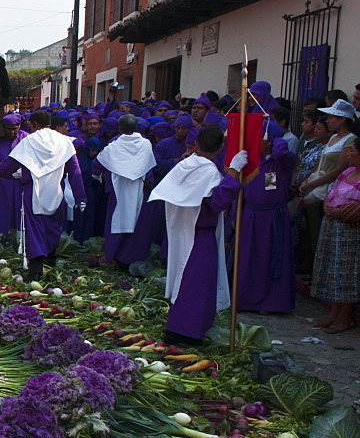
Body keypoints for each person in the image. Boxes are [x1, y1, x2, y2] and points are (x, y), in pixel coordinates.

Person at [149, 127, 247, 345]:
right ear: (220, 147)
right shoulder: (210, 172)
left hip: (183, 228)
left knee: (183, 280)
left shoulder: (183, 165)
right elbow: (217, 202)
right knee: (198, 284)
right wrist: (232, 172)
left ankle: (176, 327)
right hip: (200, 233)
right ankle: (189, 332)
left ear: (197, 146)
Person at [0, 110, 86, 279]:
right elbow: (75, 170)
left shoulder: (30, 141)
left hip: (34, 190)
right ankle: (51, 260)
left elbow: (10, 164)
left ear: (33, 125)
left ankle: (35, 270)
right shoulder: (64, 141)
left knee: (34, 229)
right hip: (56, 189)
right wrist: (81, 196)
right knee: (53, 227)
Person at [234, 122, 296, 314]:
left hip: (272, 217)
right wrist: (234, 212)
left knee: (270, 259)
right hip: (251, 215)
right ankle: (246, 300)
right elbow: (239, 188)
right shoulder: (252, 160)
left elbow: (284, 155)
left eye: (259, 140)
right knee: (249, 259)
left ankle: (271, 303)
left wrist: (276, 140)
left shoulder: (281, 162)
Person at [93, 114, 157, 266]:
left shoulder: (114, 146)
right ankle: (130, 259)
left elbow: (97, 164)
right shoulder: (146, 144)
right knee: (136, 224)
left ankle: (113, 257)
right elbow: (149, 167)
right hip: (139, 189)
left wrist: (99, 176)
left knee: (117, 222)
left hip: (119, 190)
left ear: (119, 128)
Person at [311, 142, 360, 333]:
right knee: (332, 269)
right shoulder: (347, 173)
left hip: (350, 231)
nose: (348, 154)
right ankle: (334, 312)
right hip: (333, 227)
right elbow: (331, 191)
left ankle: (345, 317)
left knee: (346, 273)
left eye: (353, 151)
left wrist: (342, 212)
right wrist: (328, 207)